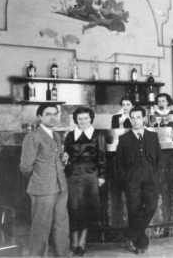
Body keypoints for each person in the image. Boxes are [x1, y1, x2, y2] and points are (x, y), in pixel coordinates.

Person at [19, 103, 70, 257]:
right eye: (48, 114)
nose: (53, 117)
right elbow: (25, 166)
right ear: (40, 116)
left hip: (60, 186)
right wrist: (39, 179)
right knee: (41, 228)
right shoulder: (32, 136)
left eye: (55, 114)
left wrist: (64, 161)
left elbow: (54, 161)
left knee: (61, 225)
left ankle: (63, 255)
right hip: (42, 189)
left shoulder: (56, 135)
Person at [115, 106, 162, 254]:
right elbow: (119, 161)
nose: (135, 121)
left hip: (150, 174)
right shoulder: (124, 138)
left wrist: (156, 174)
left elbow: (159, 157)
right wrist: (125, 177)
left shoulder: (152, 136)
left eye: (138, 117)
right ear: (129, 119)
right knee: (134, 209)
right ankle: (140, 242)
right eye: (132, 118)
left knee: (151, 206)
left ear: (144, 118)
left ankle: (130, 234)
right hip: (132, 176)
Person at [63, 107, 106, 256]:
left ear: (91, 119)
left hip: (90, 175)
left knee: (87, 208)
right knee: (73, 208)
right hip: (72, 175)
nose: (83, 121)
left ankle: (82, 242)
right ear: (76, 120)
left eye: (86, 118)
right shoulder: (70, 135)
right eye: (80, 119)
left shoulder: (98, 134)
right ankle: (73, 242)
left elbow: (102, 156)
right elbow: (65, 154)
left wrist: (101, 176)